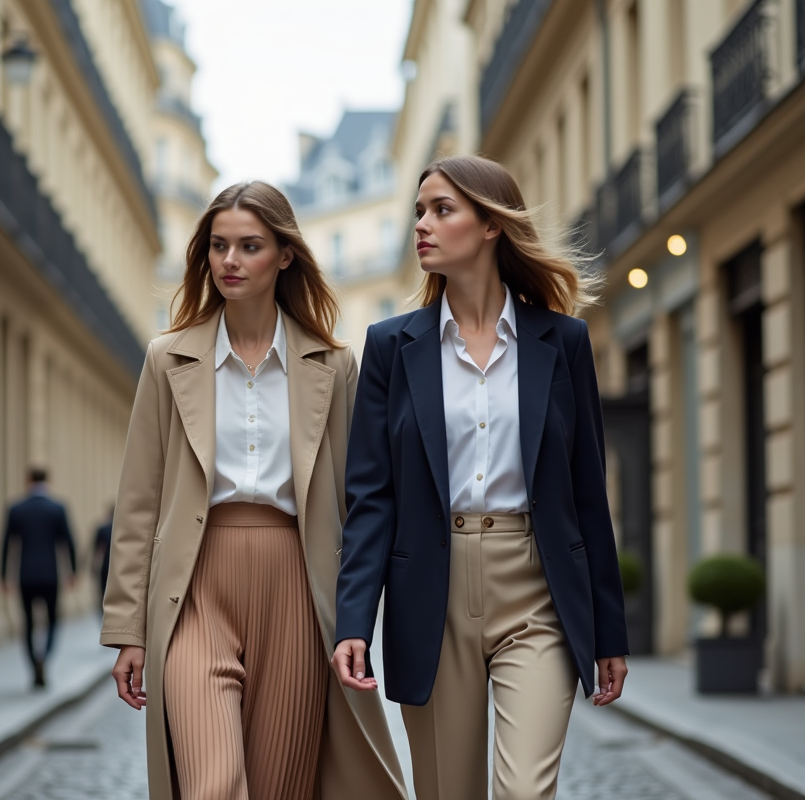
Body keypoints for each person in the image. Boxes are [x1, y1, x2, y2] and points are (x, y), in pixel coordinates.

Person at [333, 155, 630, 800]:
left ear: (492, 225)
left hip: (537, 586)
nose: (422, 226)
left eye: (442, 210)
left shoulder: (563, 342)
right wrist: (353, 619)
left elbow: (587, 494)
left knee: (526, 790)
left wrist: (609, 629)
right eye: (419, 212)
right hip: (429, 593)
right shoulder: (390, 347)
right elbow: (371, 499)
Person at [101, 181, 407, 800]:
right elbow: (138, 502)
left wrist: (358, 618)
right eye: (218, 246)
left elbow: (357, 504)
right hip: (194, 586)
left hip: (296, 583)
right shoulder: (168, 360)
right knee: (211, 784)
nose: (230, 262)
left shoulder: (333, 364)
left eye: (249, 246)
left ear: (284, 255)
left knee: (280, 788)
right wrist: (127, 630)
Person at [0, 467, 77, 689]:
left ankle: (34, 663)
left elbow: (6, 544)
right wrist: (71, 572)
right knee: (53, 620)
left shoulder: (16, 508)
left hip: (25, 575)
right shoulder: (57, 507)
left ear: (27, 480)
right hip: (50, 575)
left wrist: (3, 575)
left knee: (28, 623)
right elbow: (68, 542)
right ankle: (45, 655)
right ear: (48, 480)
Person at [92, 505, 114, 608]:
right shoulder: (124, 530)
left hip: (105, 566)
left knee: (104, 593)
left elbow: (96, 551)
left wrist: (93, 567)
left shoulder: (102, 529)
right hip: (119, 565)